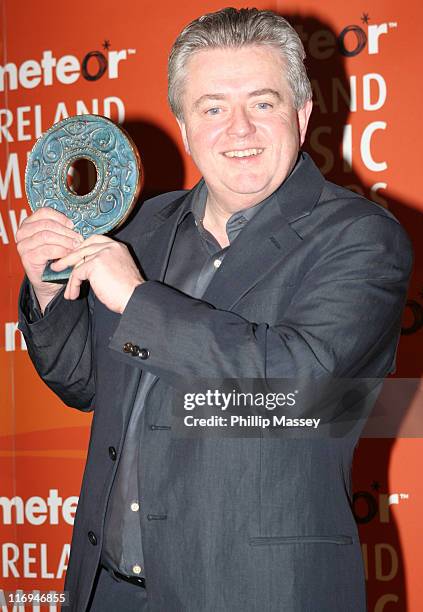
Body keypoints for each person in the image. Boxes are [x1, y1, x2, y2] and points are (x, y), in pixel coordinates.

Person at [17, 7, 412, 612]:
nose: (239, 130)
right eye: (212, 108)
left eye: (262, 102)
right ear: (183, 124)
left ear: (302, 115)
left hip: (258, 593)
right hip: (108, 590)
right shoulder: (144, 227)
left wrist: (137, 299)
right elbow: (84, 384)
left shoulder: (360, 237)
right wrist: (48, 293)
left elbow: (298, 393)